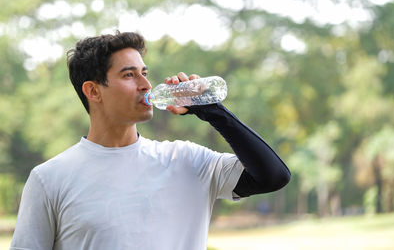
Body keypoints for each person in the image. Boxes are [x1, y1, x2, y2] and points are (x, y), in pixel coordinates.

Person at [10, 31, 290, 250]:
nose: (145, 85)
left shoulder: (187, 161)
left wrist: (213, 111)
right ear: (93, 91)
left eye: (144, 73)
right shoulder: (49, 179)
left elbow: (273, 176)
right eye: (129, 75)